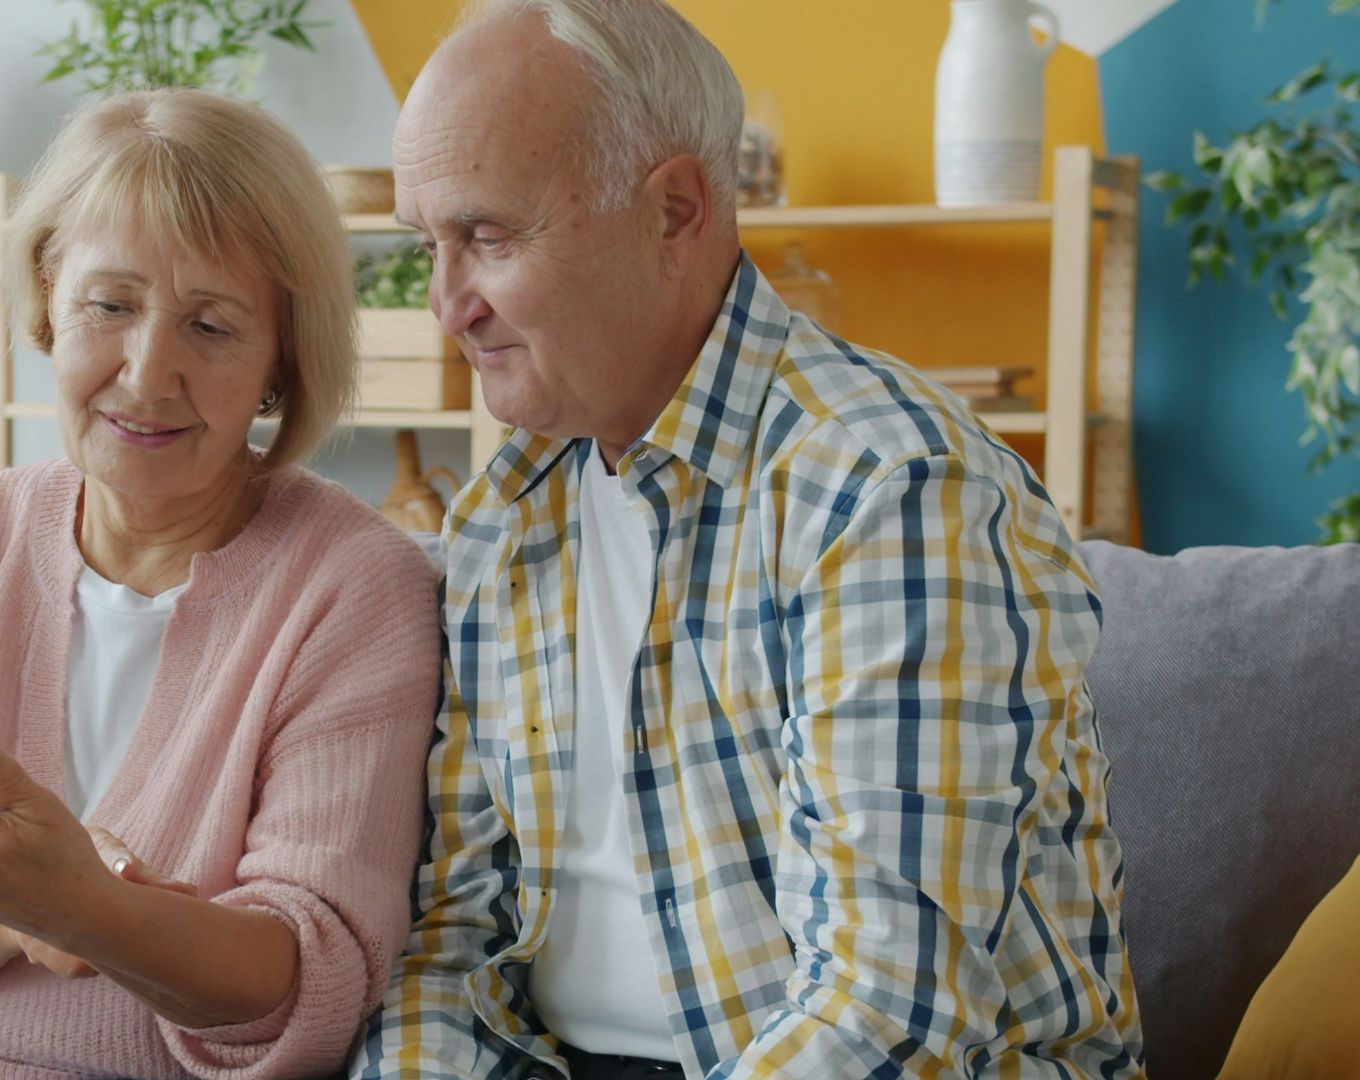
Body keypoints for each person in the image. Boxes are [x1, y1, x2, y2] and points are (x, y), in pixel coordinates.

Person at [352, 1, 1145, 1076]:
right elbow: (452, 945)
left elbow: (890, 1015)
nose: (449, 304)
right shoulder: (506, 513)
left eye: (488, 236)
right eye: (426, 244)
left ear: (675, 209)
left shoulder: (886, 490)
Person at [0, 89, 443, 1080]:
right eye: (110, 305)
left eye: (211, 326)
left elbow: (308, 978)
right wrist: (33, 895)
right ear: (45, 299)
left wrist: (78, 902)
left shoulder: (354, 588)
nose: (148, 371)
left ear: (281, 359)